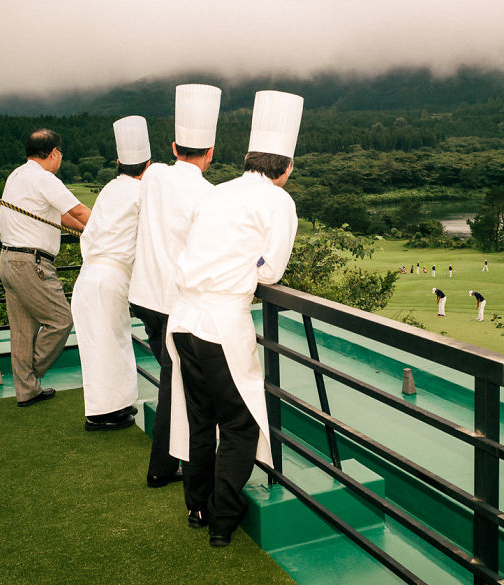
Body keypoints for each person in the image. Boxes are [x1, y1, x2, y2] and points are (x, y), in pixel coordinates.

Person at [164, 90, 303, 548]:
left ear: (248, 159)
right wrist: (250, 267)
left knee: (200, 418)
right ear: (286, 166)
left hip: (183, 321)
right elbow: (272, 270)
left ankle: (197, 507)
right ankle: (223, 520)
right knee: (241, 423)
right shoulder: (278, 201)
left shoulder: (218, 191)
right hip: (221, 324)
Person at [128, 84, 222, 487]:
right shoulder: (209, 194)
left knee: (175, 378)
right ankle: (161, 468)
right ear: (211, 152)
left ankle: (173, 458)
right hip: (173, 303)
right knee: (175, 383)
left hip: (143, 297)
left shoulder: (154, 177)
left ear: (173, 147)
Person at [0, 129, 90, 406]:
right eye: (60, 152)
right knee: (61, 319)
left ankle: (27, 390)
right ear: (53, 153)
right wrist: (109, 230)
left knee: (22, 331)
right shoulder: (44, 179)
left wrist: (87, 230)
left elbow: (60, 216)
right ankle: (31, 372)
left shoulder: (17, 175)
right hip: (31, 263)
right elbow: (78, 210)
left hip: (9, 260)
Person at [72, 116, 151, 431]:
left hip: (88, 275)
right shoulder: (143, 193)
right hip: (111, 277)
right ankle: (103, 414)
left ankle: (112, 407)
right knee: (111, 344)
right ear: (148, 165)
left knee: (100, 345)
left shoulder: (108, 189)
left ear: (118, 163)